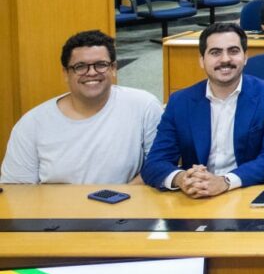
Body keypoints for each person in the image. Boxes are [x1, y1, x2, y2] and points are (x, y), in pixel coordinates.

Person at [141, 23, 264, 196]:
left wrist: (225, 181)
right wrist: (182, 178)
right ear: (202, 60)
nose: (225, 59)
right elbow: (155, 162)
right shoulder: (180, 101)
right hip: (196, 197)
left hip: (247, 193)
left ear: (245, 56)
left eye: (233, 51)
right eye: (215, 52)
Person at [1, 30, 162, 184]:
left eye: (101, 64)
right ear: (65, 73)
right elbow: (17, 188)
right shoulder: (32, 123)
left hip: (125, 207)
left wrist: (114, 199)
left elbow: (161, 166)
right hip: (56, 211)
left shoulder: (143, 106)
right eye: (80, 66)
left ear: (113, 68)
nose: (91, 72)